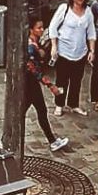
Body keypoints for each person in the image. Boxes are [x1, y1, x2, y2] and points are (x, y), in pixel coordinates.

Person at [49, 0, 96, 116]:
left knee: (77, 80)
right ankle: (59, 104)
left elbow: (91, 32)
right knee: (62, 80)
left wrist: (92, 50)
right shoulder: (64, 8)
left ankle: (73, 104)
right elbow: (53, 27)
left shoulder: (88, 11)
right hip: (64, 51)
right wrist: (54, 46)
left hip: (80, 52)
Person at [24, 20, 69, 152]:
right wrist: (50, 85)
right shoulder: (31, 47)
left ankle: (52, 140)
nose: (42, 30)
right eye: (39, 28)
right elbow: (33, 69)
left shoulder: (35, 44)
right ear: (31, 29)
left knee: (38, 111)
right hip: (30, 83)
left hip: (31, 82)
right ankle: (52, 141)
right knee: (37, 111)